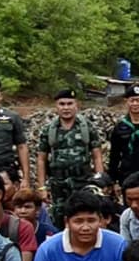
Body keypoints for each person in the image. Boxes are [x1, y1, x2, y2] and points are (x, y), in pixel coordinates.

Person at [36, 88, 105, 228]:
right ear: (56, 106)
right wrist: (42, 187)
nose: (66, 108)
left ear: (76, 105)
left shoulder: (87, 127)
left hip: (83, 182)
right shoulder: (49, 130)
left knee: (84, 218)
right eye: (62, 104)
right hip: (58, 185)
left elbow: (97, 156)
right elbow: (41, 159)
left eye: (69, 103)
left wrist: (100, 183)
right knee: (60, 221)